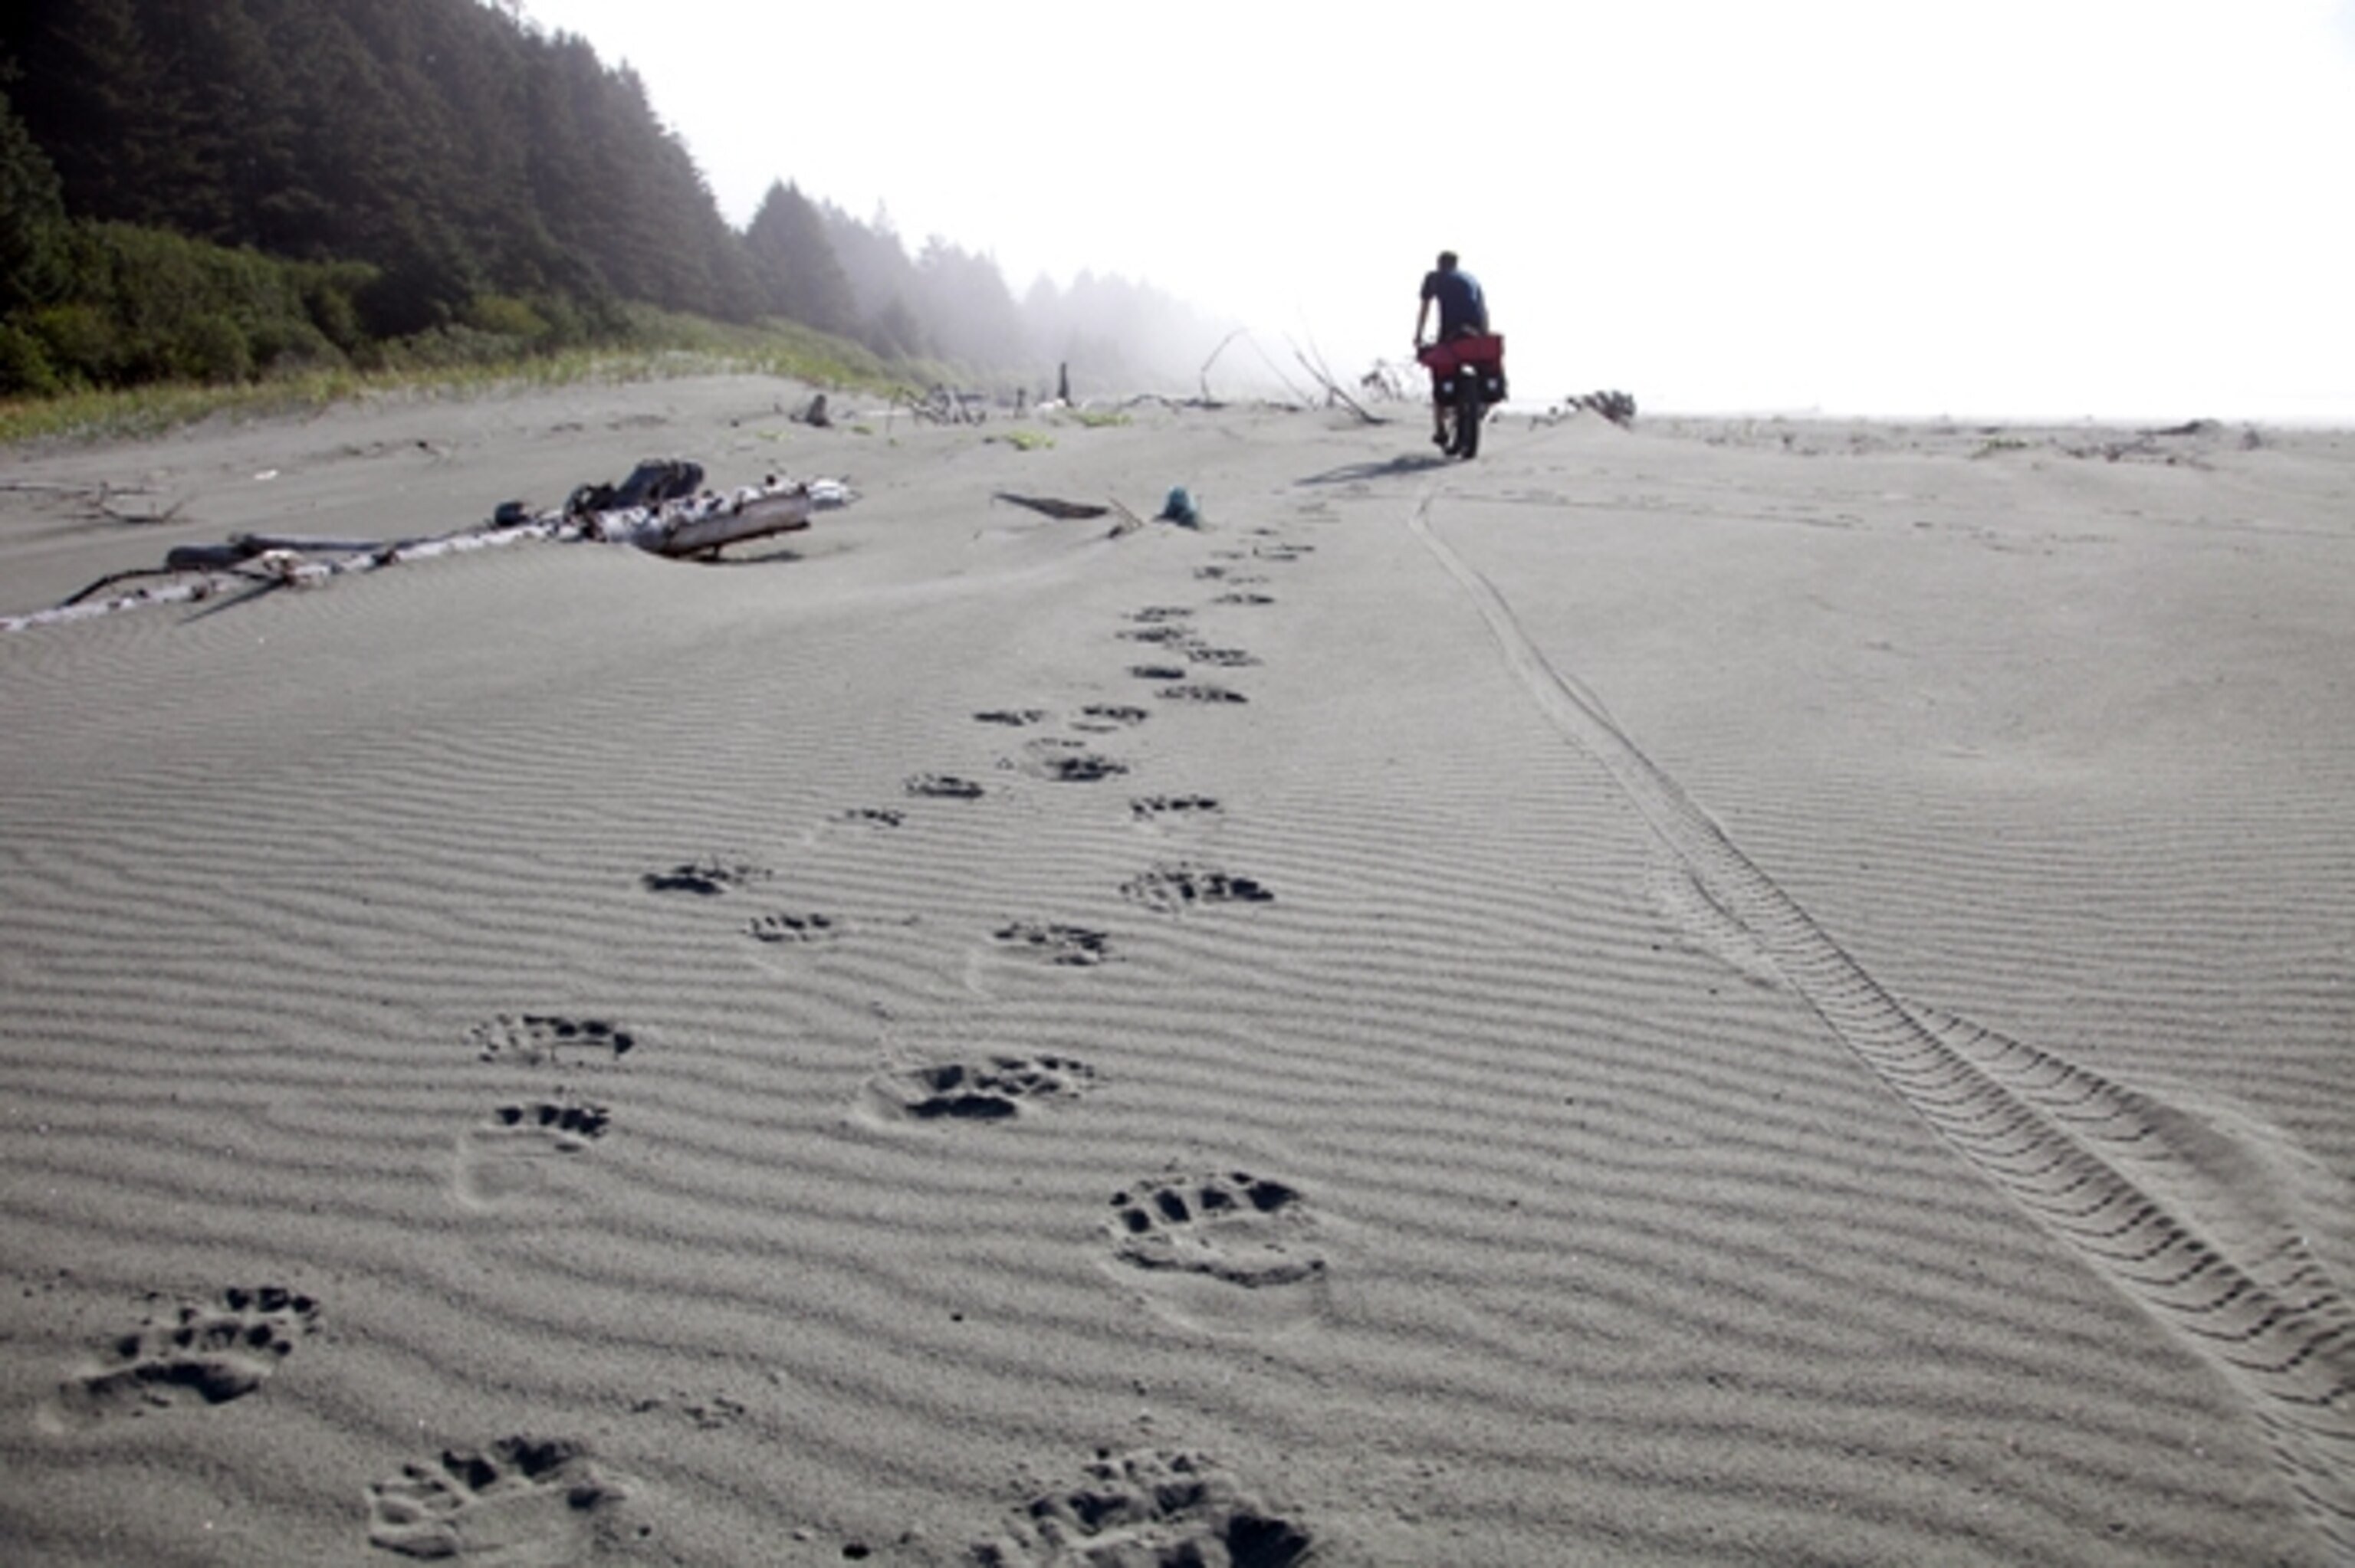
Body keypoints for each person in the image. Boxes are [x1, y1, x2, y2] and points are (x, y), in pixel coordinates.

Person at [1414, 251, 1489, 444]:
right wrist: (1484, 335)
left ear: (1439, 264)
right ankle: (1477, 405)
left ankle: (1440, 430)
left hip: (1451, 333)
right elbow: (1483, 309)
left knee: (1440, 374)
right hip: (1476, 333)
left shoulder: (1434, 278)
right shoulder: (1471, 279)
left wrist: (1419, 335)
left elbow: (1425, 307)